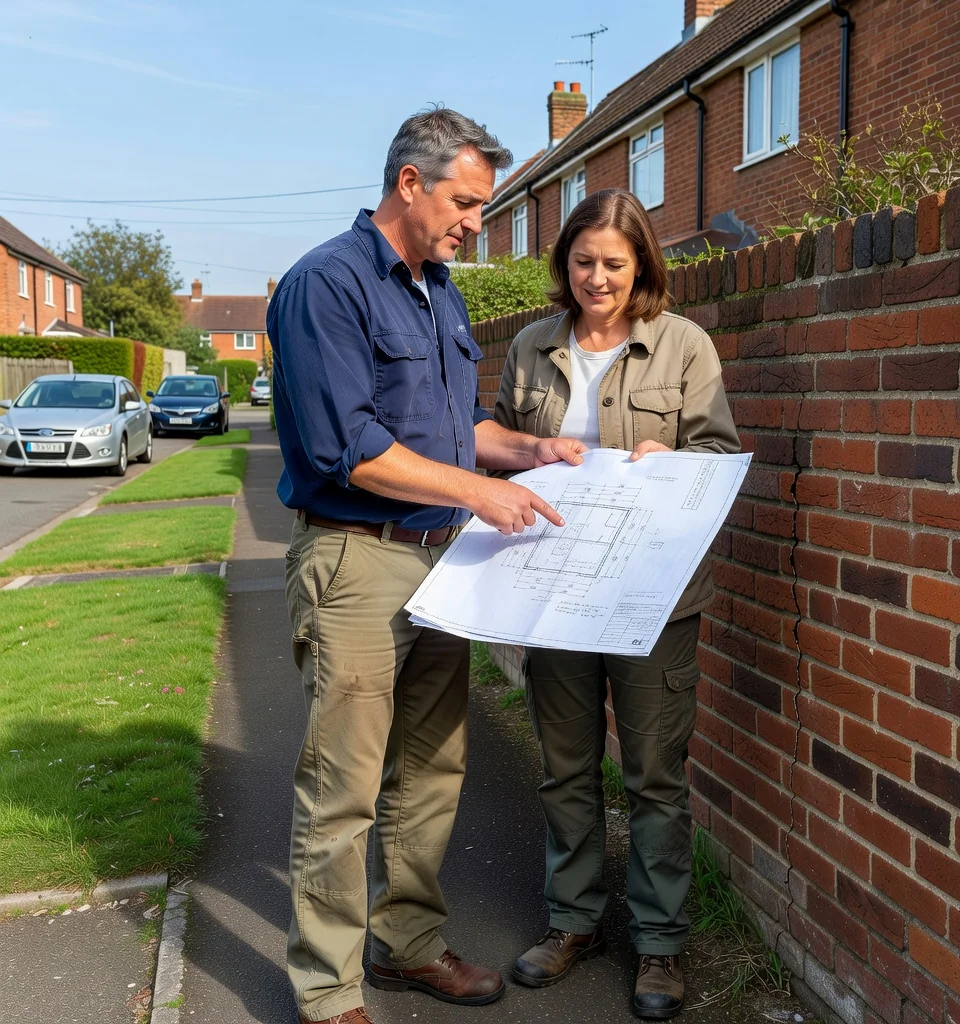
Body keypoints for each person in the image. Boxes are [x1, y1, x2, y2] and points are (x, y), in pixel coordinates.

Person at [267, 108, 587, 1024]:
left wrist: (523, 452)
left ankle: (405, 945)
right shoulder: (326, 285)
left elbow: (456, 430)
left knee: (431, 769)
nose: (476, 223)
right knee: (346, 787)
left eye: (483, 206)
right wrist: (480, 494)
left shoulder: (440, 292)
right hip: (356, 561)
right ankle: (328, 992)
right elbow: (350, 449)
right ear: (410, 183)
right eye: (467, 201)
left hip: (442, 564)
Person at [493, 188, 741, 1020]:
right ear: (564, 263)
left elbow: (717, 455)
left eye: (613, 263)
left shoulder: (683, 346)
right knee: (565, 768)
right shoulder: (530, 347)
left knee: (654, 777)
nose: (597, 278)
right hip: (552, 591)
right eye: (583, 261)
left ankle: (661, 945)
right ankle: (573, 924)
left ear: (641, 267)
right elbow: (494, 449)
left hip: (651, 598)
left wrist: (665, 456)